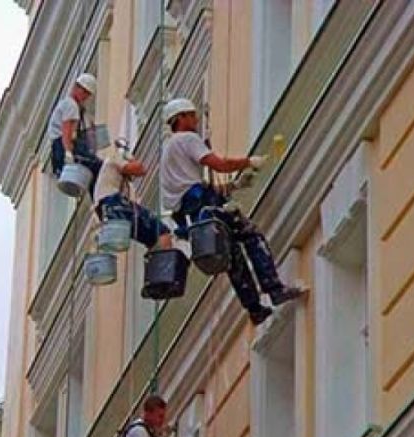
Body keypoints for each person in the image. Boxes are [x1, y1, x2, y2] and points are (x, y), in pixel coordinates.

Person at [160, 98, 305, 325]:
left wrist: (234, 186)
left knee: (233, 256)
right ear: (180, 118)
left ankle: (255, 309)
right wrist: (249, 162)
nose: (196, 120)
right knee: (250, 234)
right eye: (192, 115)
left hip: (193, 215)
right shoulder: (186, 139)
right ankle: (274, 288)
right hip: (203, 206)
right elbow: (220, 164)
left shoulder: (168, 150)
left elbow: (189, 189)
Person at [93, 139, 172, 250]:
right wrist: (130, 158)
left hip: (106, 210)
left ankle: (155, 254)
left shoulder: (112, 177)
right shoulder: (115, 158)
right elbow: (140, 170)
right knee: (161, 230)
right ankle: (165, 256)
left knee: (150, 238)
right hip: (114, 202)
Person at [48, 73, 103, 196]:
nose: (86, 97)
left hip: (59, 148)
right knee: (99, 166)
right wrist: (68, 151)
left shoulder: (72, 106)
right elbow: (66, 130)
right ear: (77, 88)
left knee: (92, 170)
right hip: (62, 146)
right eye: (85, 93)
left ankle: (97, 197)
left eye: (88, 94)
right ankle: (101, 199)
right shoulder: (71, 105)